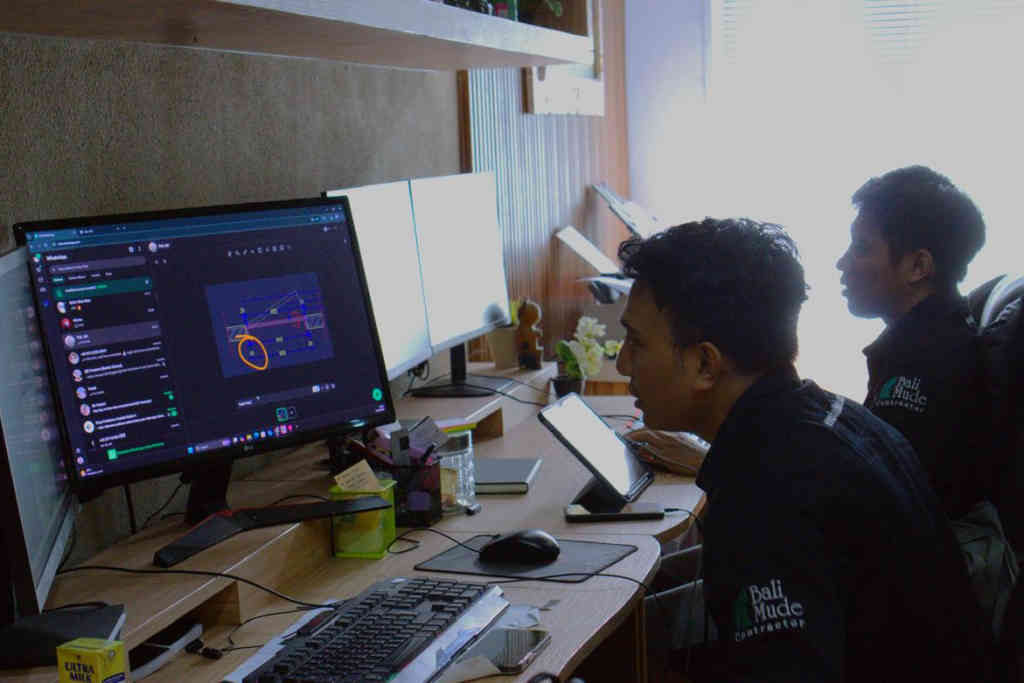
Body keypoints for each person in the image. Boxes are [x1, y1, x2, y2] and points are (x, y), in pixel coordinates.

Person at [616, 218, 992, 681]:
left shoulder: (771, 490)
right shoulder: (828, 416)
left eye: (636, 342)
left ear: (705, 364)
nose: (622, 363)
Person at [836, 165, 993, 522]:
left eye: (861, 248)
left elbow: (884, 507)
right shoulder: (943, 335)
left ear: (918, 266)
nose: (842, 263)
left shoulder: (923, 363)